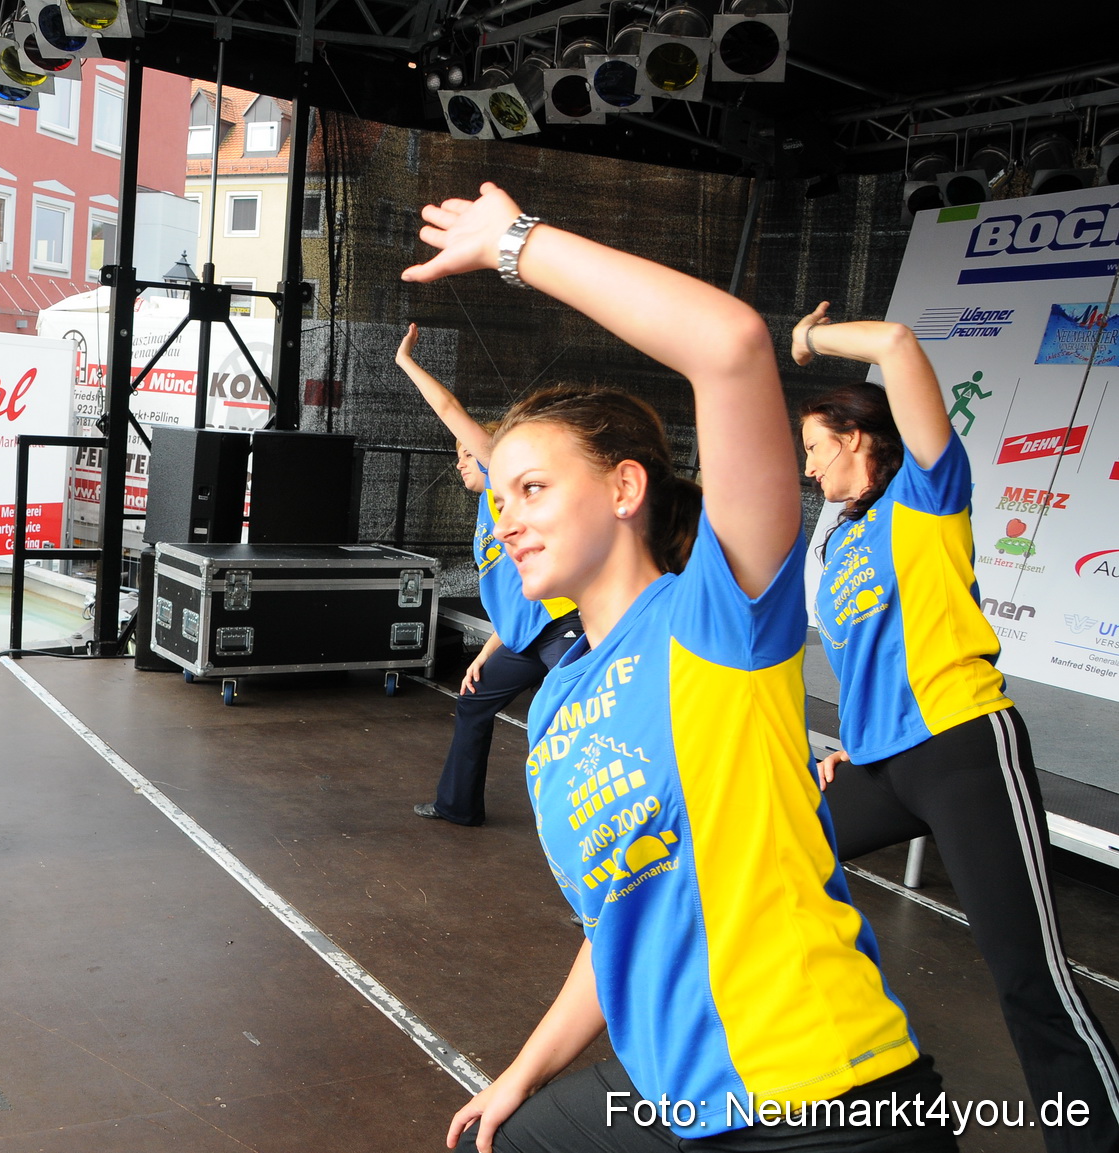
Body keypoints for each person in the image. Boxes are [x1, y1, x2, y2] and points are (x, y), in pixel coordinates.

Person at [404, 186, 953, 1153]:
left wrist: (515, 245)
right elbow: (617, 927)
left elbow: (731, 345)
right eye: (501, 496)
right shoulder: (560, 696)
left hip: (822, 1104)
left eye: (533, 487)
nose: (506, 516)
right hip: (677, 1104)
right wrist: (517, 1077)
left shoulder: (713, 615)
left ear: (624, 487)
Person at [796, 301, 1119, 1153]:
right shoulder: (840, 539)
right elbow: (869, 664)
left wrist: (807, 340)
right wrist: (846, 756)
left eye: (813, 447)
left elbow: (898, 345)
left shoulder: (925, 494)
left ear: (856, 437)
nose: (807, 465)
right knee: (773, 857)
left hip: (961, 748)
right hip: (879, 765)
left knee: (1027, 977)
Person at [394, 325, 580, 826]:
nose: (460, 463)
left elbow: (452, 410)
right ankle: (458, 807)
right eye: (456, 455)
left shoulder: (505, 485)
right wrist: (484, 653)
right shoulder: (488, 513)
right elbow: (515, 599)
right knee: (473, 701)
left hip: (564, 628)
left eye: (466, 453)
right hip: (524, 636)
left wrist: (407, 363)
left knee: (576, 724)